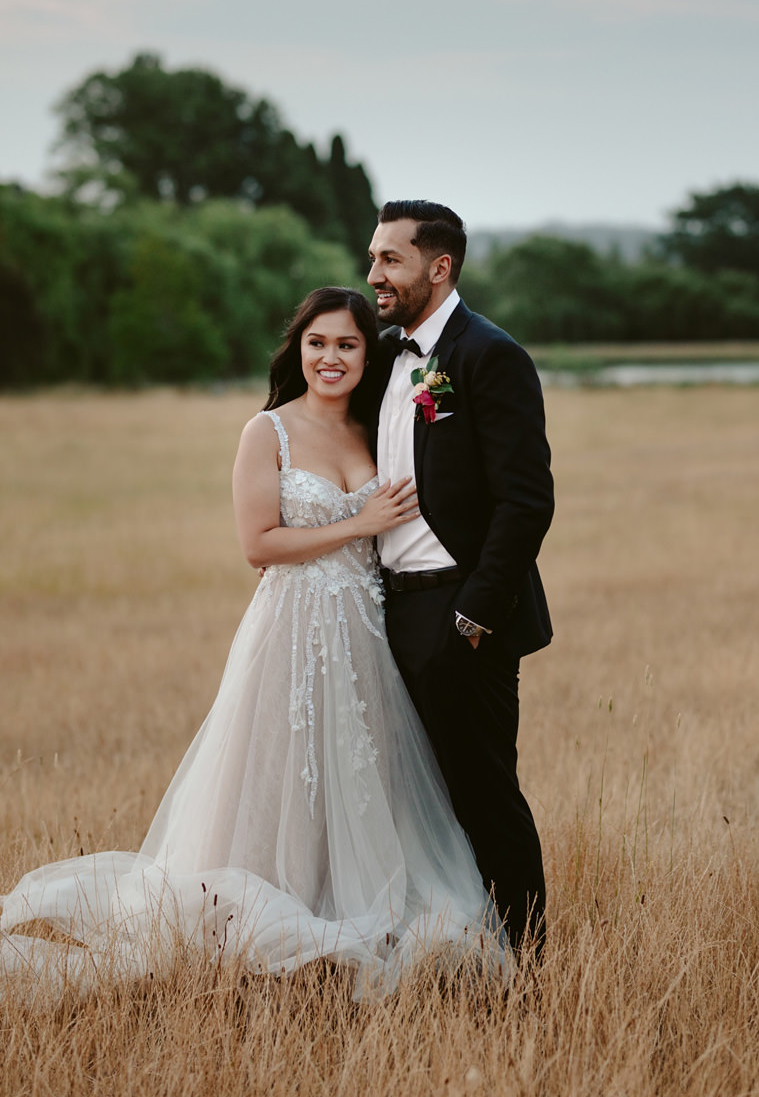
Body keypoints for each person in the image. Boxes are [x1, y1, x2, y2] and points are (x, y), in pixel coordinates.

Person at [0, 287, 501, 999]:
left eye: (348, 345)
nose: (331, 357)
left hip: (362, 634)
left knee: (360, 773)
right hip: (291, 628)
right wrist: (359, 525)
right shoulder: (268, 432)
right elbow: (257, 543)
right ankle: (267, 914)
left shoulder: (376, 427)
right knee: (279, 772)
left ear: (369, 354)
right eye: (318, 343)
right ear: (297, 349)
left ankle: (348, 904)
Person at [366, 201, 554, 957]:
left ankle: (523, 962)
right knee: (411, 800)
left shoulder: (488, 354)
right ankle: (446, 953)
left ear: (439, 267)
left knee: (481, 796)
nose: (374, 273)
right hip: (387, 611)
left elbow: (526, 499)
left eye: (390, 260)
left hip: (460, 615)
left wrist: (473, 617)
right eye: (374, 256)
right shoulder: (385, 355)